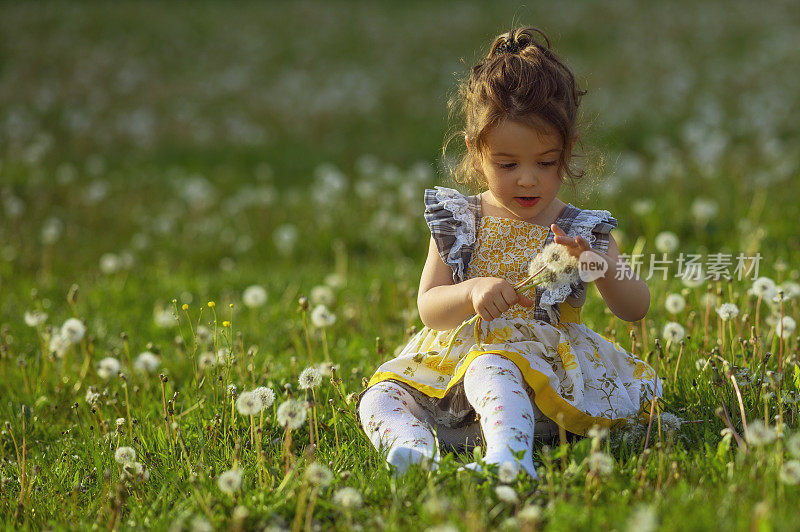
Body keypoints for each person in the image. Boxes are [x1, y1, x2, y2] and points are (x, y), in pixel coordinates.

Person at [357, 26, 662, 480]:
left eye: (545, 162)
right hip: (450, 377)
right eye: (507, 164)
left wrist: (594, 264)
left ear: (568, 151)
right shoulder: (460, 219)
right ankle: (413, 448)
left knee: (491, 366)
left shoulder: (581, 229)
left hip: (544, 384)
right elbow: (430, 308)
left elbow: (636, 306)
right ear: (476, 153)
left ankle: (510, 458)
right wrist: (471, 290)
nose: (527, 180)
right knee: (378, 397)